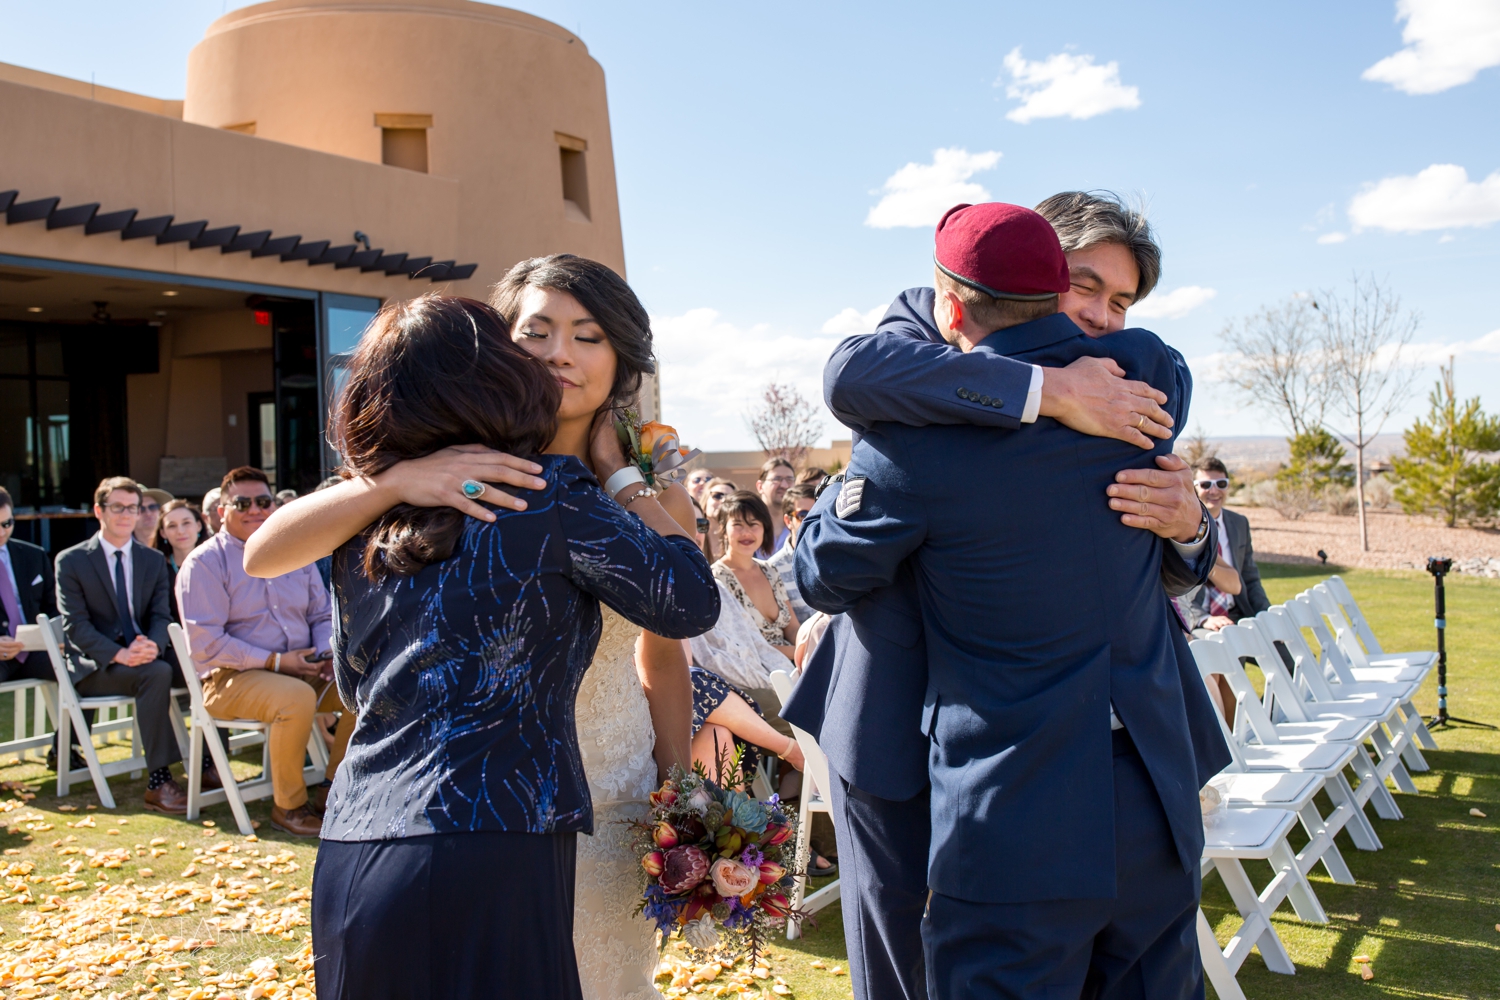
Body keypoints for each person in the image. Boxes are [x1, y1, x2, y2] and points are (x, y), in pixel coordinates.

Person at [783, 193, 1226, 1000]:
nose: (1097, 317)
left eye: (1119, 302)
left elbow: (821, 569)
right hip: (895, 736)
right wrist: (1042, 390)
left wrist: (1194, 525)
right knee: (905, 972)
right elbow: (852, 372)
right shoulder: (926, 346)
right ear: (1040, 268)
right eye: (1081, 285)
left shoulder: (1130, 380)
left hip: (1047, 771)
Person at [244, 257, 715, 1000]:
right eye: (537, 330)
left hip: (582, 790)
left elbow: (668, 653)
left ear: (621, 358)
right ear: (499, 350)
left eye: (587, 335)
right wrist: (391, 481)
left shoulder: (646, 500)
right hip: (510, 817)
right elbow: (265, 549)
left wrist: (678, 780)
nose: (561, 352)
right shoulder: (433, 479)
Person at [176, 467, 346, 837]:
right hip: (229, 680)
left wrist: (324, 653)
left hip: (301, 668)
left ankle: (335, 790)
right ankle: (289, 807)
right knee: (296, 698)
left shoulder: (294, 554)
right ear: (221, 511)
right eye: (242, 503)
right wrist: (275, 661)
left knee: (361, 690)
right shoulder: (204, 563)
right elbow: (208, 643)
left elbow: (321, 615)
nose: (255, 509)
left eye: (263, 502)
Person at [53, 477, 196, 813]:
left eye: (133, 508)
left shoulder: (151, 560)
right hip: (95, 666)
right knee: (157, 673)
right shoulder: (71, 561)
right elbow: (76, 626)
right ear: (99, 510)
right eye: (117, 507)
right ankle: (159, 780)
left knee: (198, 666)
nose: (126, 515)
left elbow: (162, 617)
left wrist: (153, 645)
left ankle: (208, 765)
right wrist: (119, 653)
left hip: (145, 656)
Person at [1184, 458, 1270, 634]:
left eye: (1221, 483)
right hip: (1201, 620)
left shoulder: (1239, 523)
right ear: (1194, 488)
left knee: (1288, 653)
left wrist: (1268, 616)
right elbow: (1175, 589)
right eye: (1206, 484)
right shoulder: (1182, 528)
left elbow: (1250, 578)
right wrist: (1203, 618)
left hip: (1238, 613)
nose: (1214, 490)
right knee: (1221, 654)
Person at [713, 491, 798, 657]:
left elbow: (793, 628)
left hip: (794, 666)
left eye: (753, 524)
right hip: (753, 674)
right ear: (723, 529)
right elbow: (737, 644)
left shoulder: (770, 570)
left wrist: (810, 647)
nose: (746, 533)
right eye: (738, 525)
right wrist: (798, 653)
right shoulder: (717, 579)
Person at [0, 485, 58, 686]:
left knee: (82, 670)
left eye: (7, 523)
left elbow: (53, 606)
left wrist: (57, 637)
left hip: (36, 650)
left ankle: (77, 720)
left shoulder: (34, 555)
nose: (1, 531)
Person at [765, 484, 817, 625]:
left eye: (818, 514)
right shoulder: (772, 568)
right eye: (803, 515)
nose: (812, 521)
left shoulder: (838, 558)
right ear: (788, 521)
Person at [756, 457, 797, 550]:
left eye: (789, 479)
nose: (784, 485)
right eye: (777, 479)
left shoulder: (800, 522)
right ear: (760, 486)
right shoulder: (749, 524)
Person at [700, 477, 736, 561]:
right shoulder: (694, 536)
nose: (723, 500)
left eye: (729, 497)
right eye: (717, 496)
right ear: (705, 503)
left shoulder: (740, 539)